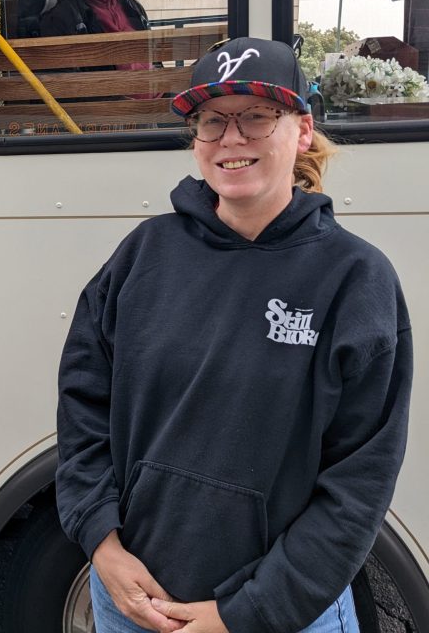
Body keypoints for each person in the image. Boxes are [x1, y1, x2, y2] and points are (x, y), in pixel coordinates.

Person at [56, 37, 412, 633]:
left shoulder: (355, 279)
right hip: (134, 604)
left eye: (257, 116)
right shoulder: (143, 255)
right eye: (212, 121)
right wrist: (103, 547)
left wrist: (240, 615)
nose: (231, 138)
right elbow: (83, 408)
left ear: (301, 129)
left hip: (283, 616)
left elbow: (359, 485)